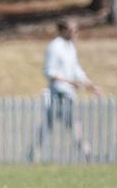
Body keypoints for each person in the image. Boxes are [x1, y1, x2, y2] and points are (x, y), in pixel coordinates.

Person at [27, 18, 101, 162]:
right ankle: (87, 154)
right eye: (72, 30)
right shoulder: (54, 47)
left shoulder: (70, 47)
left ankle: (32, 153)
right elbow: (49, 72)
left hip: (69, 93)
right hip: (58, 94)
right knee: (67, 125)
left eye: (76, 30)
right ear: (62, 30)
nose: (75, 33)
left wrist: (91, 86)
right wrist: (70, 82)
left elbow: (77, 71)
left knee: (68, 125)